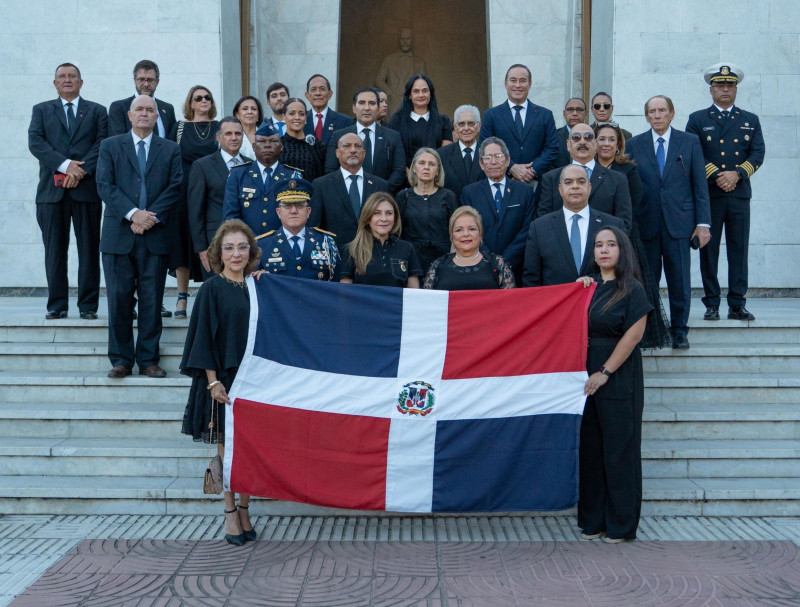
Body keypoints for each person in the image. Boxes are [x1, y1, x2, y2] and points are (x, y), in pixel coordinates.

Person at [180, 219, 261, 545]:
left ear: (251, 251)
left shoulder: (258, 286)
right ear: (219, 253)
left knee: (251, 451)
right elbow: (202, 340)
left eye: (242, 247)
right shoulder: (211, 289)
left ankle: (245, 508)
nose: (236, 253)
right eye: (229, 248)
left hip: (255, 382)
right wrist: (213, 383)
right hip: (222, 382)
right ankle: (229, 512)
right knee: (228, 452)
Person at [96, 95, 182, 379]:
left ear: (157, 117)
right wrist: (133, 214)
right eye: (139, 109)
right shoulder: (110, 146)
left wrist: (149, 217)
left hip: (154, 235)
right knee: (119, 299)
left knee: (151, 299)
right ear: (130, 116)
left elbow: (175, 187)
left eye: (150, 110)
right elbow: (104, 185)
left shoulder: (170, 149)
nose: (144, 113)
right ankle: (121, 360)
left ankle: (148, 360)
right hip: (118, 235)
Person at [577, 225, 651, 544]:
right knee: (592, 450)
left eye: (611, 244)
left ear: (622, 250)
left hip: (617, 377)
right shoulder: (587, 287)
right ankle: (593, 520)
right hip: (586, 379)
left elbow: (633, 336)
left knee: (619, 451)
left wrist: (604, 372)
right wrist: (576, 291)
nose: (604, 250)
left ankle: (621, 525)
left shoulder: (632, 289)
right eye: (598, 245)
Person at [626, 95, 711, 349]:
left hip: (680, 223)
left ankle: (679, 330)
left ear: (672, 114)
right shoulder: (634, 144)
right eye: (652, 111)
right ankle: (650, 331)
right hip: (646, 224)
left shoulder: (690, 142)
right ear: (646, 116)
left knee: (680, 281)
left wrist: (703, 223)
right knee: (646, 282)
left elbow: (700, 185)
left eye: (662, 110)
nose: (657, 115)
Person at [28, 62, 107, 320]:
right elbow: (36, 143)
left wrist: (79, 171)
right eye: (62, 76)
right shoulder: (41, 110)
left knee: (88, 249)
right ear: (55, 83)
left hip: (86, 192)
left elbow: (102, 145)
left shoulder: (97, 111)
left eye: (72, 76)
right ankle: (57, 305)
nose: (67, 80)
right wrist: (66, 166)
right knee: (54, 250)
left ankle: (87, 306)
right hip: (51, 195)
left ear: (81, 82)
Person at [686, 63, 765, 322]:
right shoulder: (698, 119)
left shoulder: (749, 119)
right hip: (710, 194)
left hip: (739, 194)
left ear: (735, 89)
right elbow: (692, 153)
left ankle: (737, 303)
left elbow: (758, 153)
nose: (725, 89)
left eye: (730, 85)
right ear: (711, 89)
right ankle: (711, 303)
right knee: (709, 250)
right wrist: (717, 175)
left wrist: (737, 174)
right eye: (720, 85)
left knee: (738, 250)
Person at [595, 122, 672, 349]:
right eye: (602, 139)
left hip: (625, 237)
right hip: (596, 240)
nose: (606, 144)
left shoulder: (628, 170)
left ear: (619, 144)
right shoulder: (586, 171)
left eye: (611, 139)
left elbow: (633, 205)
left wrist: (616, 236)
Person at [522, 165, 624, 287]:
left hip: (601, 302)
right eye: (568, 182)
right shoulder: (539, 228)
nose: (575, 186)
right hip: (557, 303)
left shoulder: (613, 225)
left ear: (589, 187)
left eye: (581, 181)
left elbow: (623, 270)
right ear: (560, 189)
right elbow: (531, 279)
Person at [168, 85, 221, 316]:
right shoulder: (179, 128)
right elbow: (168, 159)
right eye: (198, 98)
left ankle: (213, 291)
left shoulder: (220, 127)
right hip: (183, 190)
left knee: (212, 238)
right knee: (183, 242)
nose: (203, 100)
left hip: (213, 190)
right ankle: (181, 297)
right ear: (190, 103)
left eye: (207, 97)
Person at [460, 137, 536, 281]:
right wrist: (491, 261)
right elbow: (469, 229)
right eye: (487, 158)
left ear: (508, 160)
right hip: (481, 267)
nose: (493, 162)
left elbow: (528, 228)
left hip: (518, 267)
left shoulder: (525, 191)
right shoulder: (470, 193)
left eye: (498, 156)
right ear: (481, 164)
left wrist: (505, 261)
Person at [535, 122, 632, 232]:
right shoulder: (551, 179)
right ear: (568, 145)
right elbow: (542, 221)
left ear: (595, 144)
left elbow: (623, 224)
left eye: (588, 137)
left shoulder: (617, 180)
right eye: (576, 138)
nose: (582, 142)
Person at [188, 116, 252, 281]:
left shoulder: (251, 165)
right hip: (214, 243)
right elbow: (195, 210)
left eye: (238, 133)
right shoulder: (202, 166)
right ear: (218, 137)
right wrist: (201, 248)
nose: (234, 137)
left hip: (246, 242)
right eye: (228, 133)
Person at [479, 64, 559, 184]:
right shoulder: (491, 115)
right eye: (513, 80)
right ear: (506, 84)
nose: (518, 85)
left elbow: (552, 148)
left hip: (537, 182)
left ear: (530, 84)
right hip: (503, 180)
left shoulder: (545, 115)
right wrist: (511, 167)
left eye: (523, 81)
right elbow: (485, 147)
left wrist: (532, 170)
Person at [310, 133, 389, 250]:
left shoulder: (380, 185)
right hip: (336, 256)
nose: (353, 150)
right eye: (347, 146)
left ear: (364, 153)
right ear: (337, 153)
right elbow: (314, 227)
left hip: (373, 252)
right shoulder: (321, 185)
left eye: (357, 146)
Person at [223, 121, 299, 237]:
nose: (267, 145)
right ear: (254, 146)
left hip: (281, 244)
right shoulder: (238, 174)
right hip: (248, 245)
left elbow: (296, 216)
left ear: (281, 146)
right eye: (262, 141)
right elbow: (231, 216)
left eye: (273, 141)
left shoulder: (292, 176)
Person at [325, 88, 406, 194]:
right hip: (347, 196)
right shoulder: (338, 136)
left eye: (372, 103)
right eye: (362, 103)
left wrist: (381, 192)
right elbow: (331, 169)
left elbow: (399, 171)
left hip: (381, 198)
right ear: (354, 108)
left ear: (377, 109)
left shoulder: (393, 136)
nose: (367, 108)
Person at [258, 178, 340, 280]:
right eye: (287, 206)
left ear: (308, 211)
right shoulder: (262, 245)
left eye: (300, 206)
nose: (293, 211)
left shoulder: (326, 242)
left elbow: (336, 284)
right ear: (278, 212)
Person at [423, 206, 516, 290]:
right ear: (452, 236)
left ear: (480, 234)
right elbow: (427, 304)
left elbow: (510, 303)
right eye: (459, 230)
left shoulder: (498, 264)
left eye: (471, 229)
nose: (466, 234)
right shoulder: (438, 266)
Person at [341, 193, 422, 287]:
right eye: (377, 213)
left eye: (389, 213)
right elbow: (344, 295)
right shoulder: (352, 249)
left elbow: (413, 294)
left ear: (395, 218)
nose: (384, 219)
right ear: (367, 218)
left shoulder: (407, 248)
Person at [395, 147, 458, 272]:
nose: (426, 167)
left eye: (432, 164)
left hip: (443, 260)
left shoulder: (448, 196)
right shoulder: (403, 196)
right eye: (422, 163)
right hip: (412, 260)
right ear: (413, 167)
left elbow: (455, 231)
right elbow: (397, 232)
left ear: (438, 170)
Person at [388, 74, 453, 168]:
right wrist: (410, 175)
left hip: (435, 176)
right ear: (409, 95)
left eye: (425, 90)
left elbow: (445, 154)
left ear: (431, 94)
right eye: (416, 91)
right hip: (405, 177)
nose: (421, 95)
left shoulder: (443, 120)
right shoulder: (397, 120)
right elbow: (394, 154)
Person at [108, 59, 176, 137]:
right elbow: (117, 143)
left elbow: (172, 142)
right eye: (141, 79)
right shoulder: (118, 107)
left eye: (150, 80)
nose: (146, 84)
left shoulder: (167, 109)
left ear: (157, 82)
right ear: (134, 80)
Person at [437, 104, 485, 203]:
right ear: (455, 127)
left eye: (471, 123)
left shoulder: (488, 153)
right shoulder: (441, 155)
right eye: (461, 124)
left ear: (479, 126)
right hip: (452, 214)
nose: (466, 128)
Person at [375, 28, 426, 116]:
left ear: (412, 40)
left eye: (408, 39)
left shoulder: (419, 63)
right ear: (399, 40)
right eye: (402, 39)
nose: (405, 42)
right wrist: (389, 93)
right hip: (392, 102)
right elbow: (379, 80)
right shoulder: (389, 60)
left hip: (411, 102)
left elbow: (422, 84)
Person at [279, 98, 326, 181]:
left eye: (301, 114)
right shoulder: (277, 145)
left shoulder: (317, 145)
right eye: (292, 113)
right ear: (284, 117)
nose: (297, 117)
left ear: (306, 118)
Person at [303, 74, 353, 146]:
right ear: (307, 95)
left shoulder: (345, 122)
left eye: (322, 89)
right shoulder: (301, 120)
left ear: (330, 94)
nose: (318, 93)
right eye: (313, 89)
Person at [554, 98, 588, 168]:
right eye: (570, 110)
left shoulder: (593, 136)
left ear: (586, 114)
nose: (574, 113)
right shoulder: (553, 137)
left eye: (579, 110)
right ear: (564, 114)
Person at [232, 95, 264, 161]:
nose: (249, 112)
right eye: (245, 109)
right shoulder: (231, 137)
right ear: (237, 114)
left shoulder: (267, 136)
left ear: (258, 115)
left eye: (254, 109)